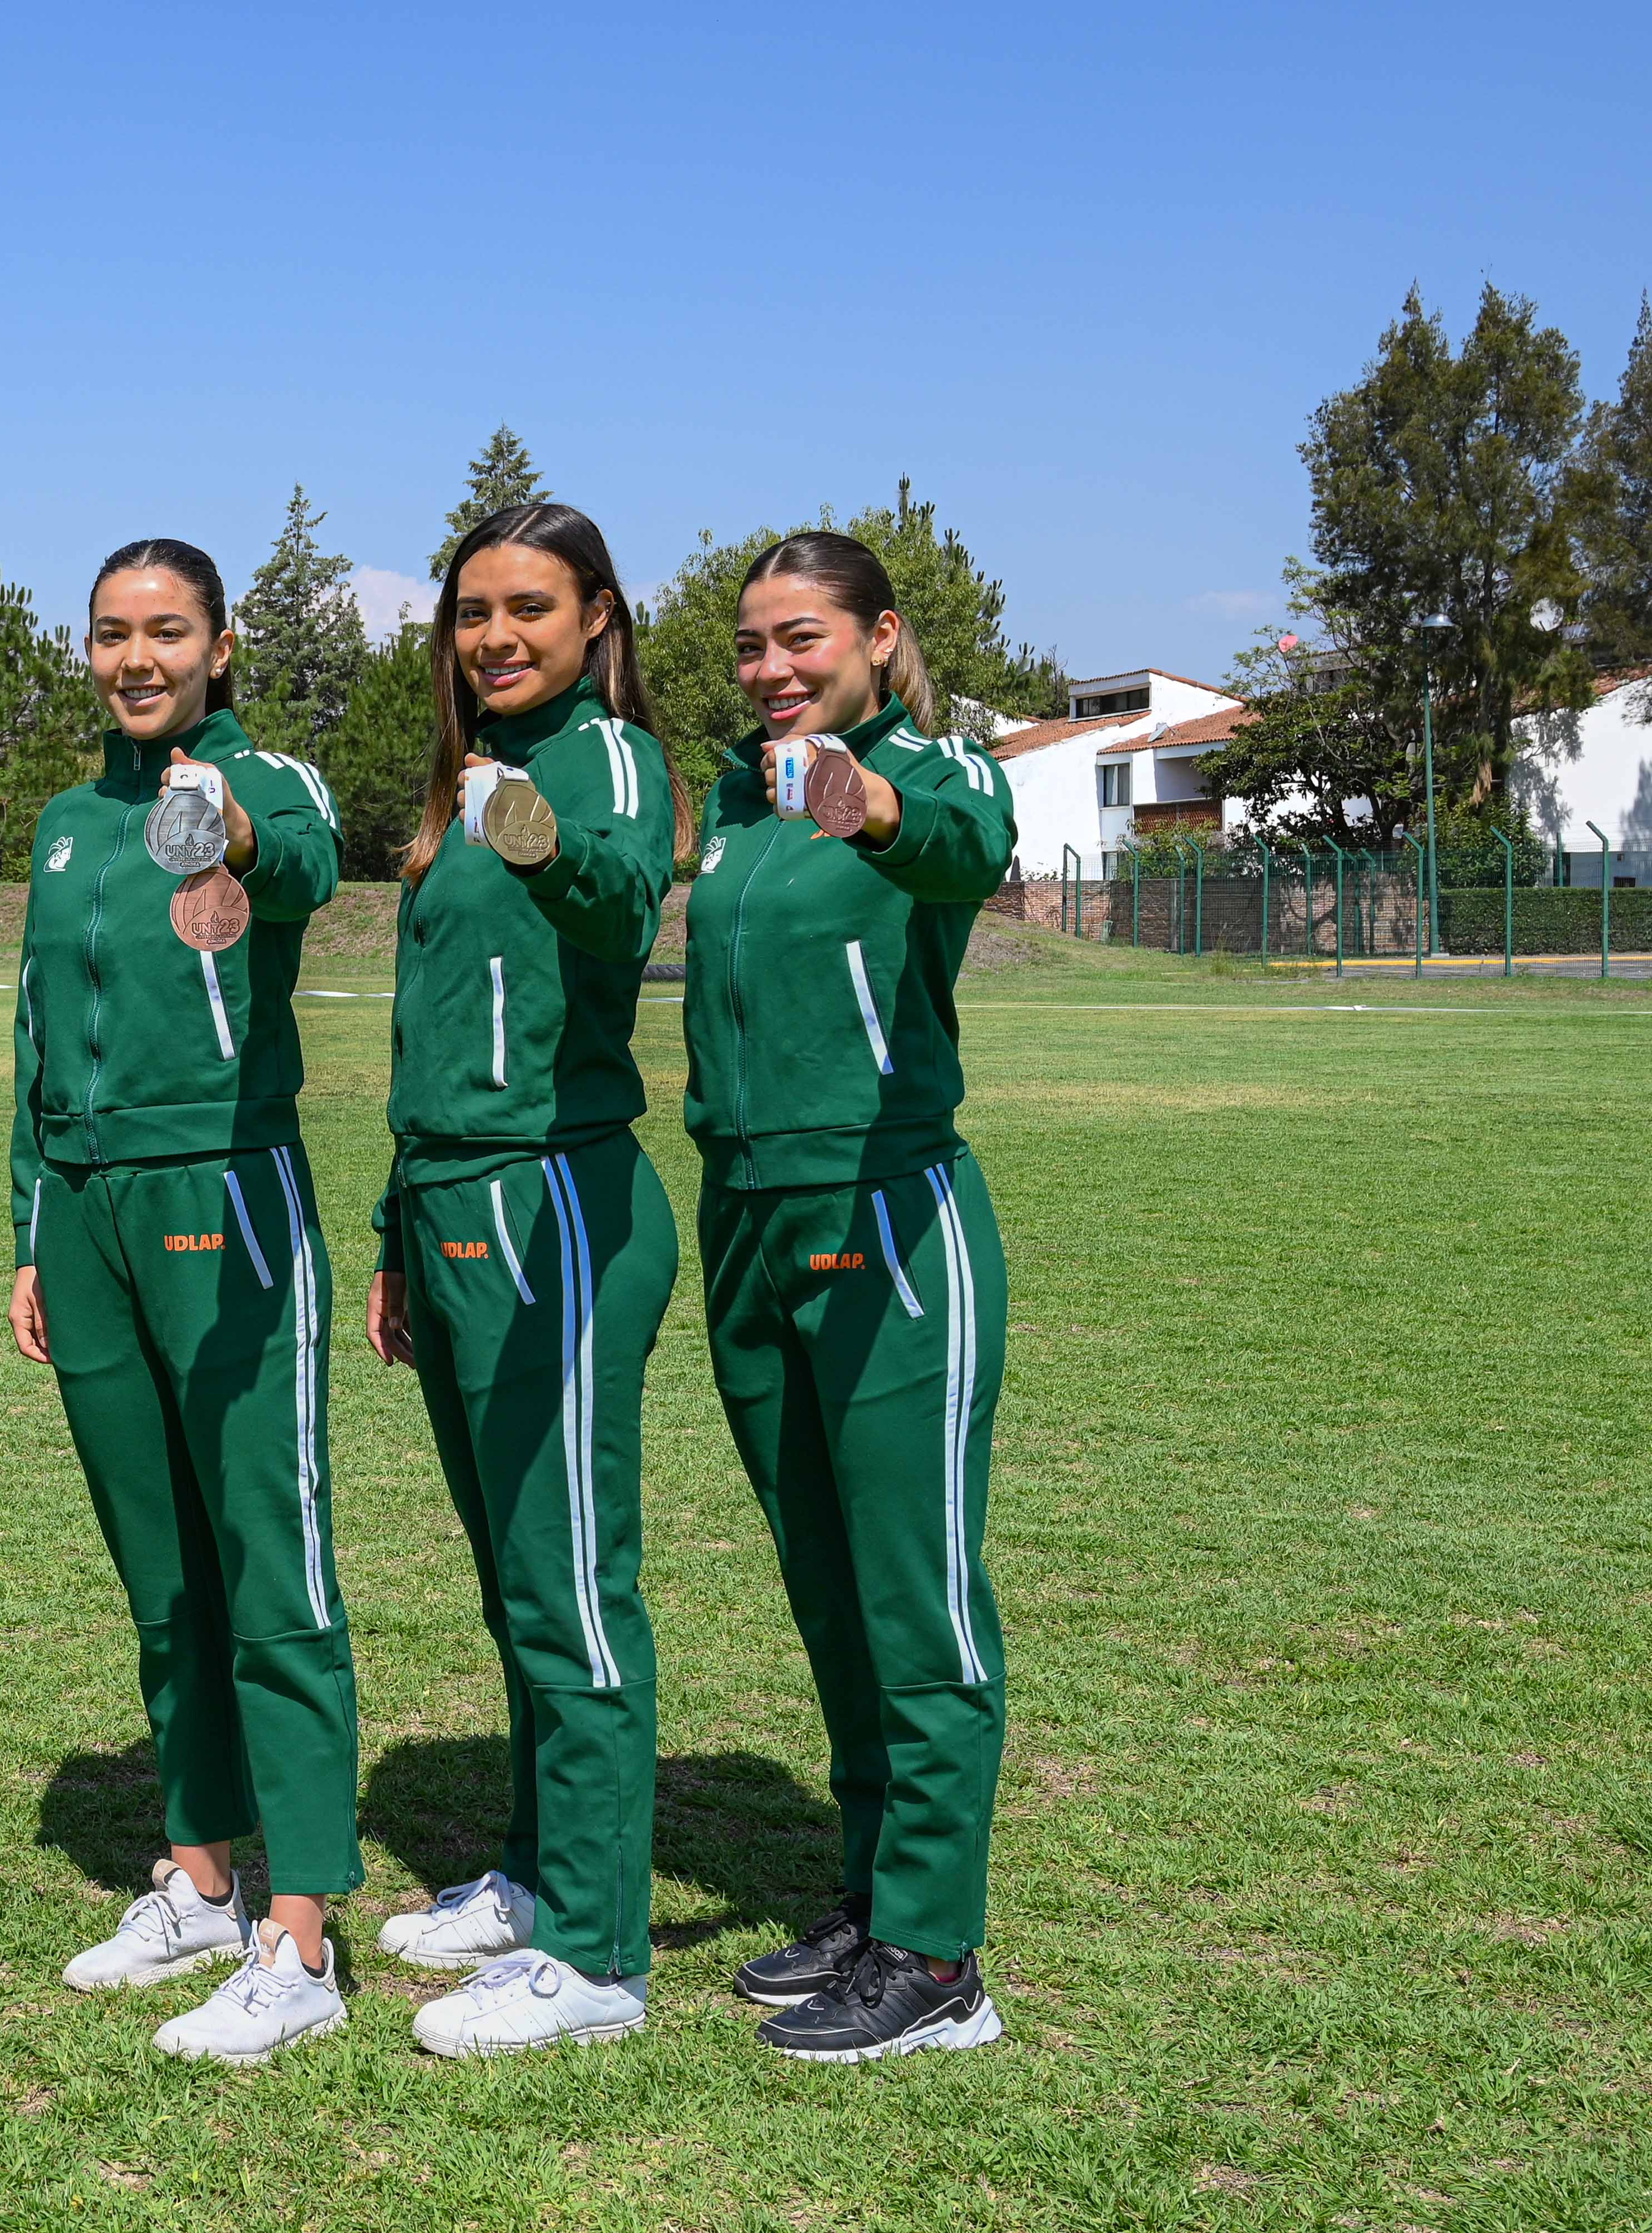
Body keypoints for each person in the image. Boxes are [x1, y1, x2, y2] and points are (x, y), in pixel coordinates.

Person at [11, 538, 356, 2064]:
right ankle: (204, 1874)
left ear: (221, 644)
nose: (136, 659)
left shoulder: (262, 780)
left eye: (166, 634)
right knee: (161, 1576)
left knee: (266, 1567)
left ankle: (303, 1938)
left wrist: (223, 820)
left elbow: (309, 861)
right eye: (110, 635)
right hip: (83, 1216)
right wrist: (31, 1226)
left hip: (225, 1196)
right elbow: (35, 1033)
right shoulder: (66, 823)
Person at [685, 530, 1014, 2061]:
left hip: (889, 1222)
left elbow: (951, 840)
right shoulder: (741, 818)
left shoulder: (935, 771)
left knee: (914, 1591)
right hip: (747, 1220)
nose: (773, 670)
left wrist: (863, 793)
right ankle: (875, 1897)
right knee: (828, 1587)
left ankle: (937, 1960)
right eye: (753, 646)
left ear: (880, 638)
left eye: (803, 638)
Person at [362, 504, 686, 2058]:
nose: (496, 636)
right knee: (515, 1583)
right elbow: (439, 1028)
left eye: (529, 609)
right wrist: (393, 1231)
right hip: (455, 1201)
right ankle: (547, 1877)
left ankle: (603, 1957)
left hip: (558, 1197)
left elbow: (625, 895)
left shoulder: (600, 757)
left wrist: (524, 823)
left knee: (570, 1580)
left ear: (598, 615)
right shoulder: (469, 778)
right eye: (472, 612)